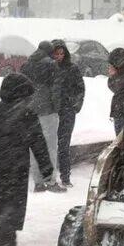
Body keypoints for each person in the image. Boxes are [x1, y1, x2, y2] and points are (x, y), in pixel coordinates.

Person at [0, 73, 62, 246]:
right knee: (12, 207)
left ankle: (9, 242)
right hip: (16, 169)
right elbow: (38, 142)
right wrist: (46, 167)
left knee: (1, 205)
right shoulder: (27, 114)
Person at [20, 41, 60, 191]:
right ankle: (50, 181)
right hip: (47, 111)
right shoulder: (51, 65)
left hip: (30, 112)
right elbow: (55, 90)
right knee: (50, 147)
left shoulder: (26, 65)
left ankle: (37, 182)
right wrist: (57, 108)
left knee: (34, 148)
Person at [50, 40, 85, 187]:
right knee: (50, 144)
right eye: (56, 54)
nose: (59, 56)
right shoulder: (48, 68)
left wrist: (74, 105)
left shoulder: (72, 69)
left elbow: (80, 89)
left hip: (66, 111)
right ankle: (50, 175)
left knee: (63, 145)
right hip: (51, 111)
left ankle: (65, 176)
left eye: (61, 54)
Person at [107, 47, 124, 136]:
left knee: (122, 140)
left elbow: (117, 89)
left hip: (123, 112)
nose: (110, 67)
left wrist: (113, 76)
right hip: (121, 112)